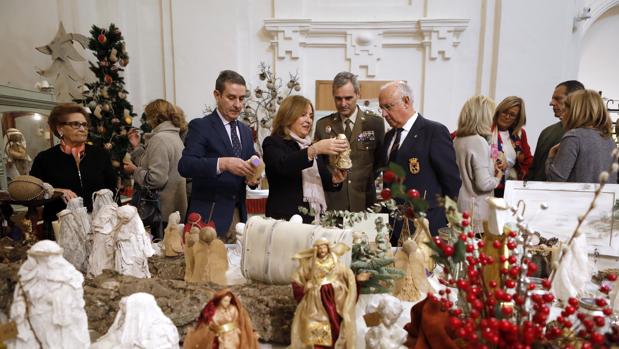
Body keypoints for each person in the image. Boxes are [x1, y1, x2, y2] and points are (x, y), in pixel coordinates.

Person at [178, 70, 258, 241]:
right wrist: (222, 164)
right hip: (209, 217)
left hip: (239, 218)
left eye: (241, 98)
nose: (238, 104)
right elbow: (185, 165)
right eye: (231, 97)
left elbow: (249, 166)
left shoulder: (245, 130)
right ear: (217, 95)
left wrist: (253, 178)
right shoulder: (201, 126)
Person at [378, 81, 461, 241]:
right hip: (394, 225)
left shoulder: (434, 132)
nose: (384, 114)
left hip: (426, 224)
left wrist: (448, 218)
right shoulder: (389, 137)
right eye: (381, 108)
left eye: (388, 107)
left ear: (406, 102)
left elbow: (452, 181)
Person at [30, 103, 117, 239]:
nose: (83, 128)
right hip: (61, 224)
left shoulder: (100, 155)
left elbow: (112, 187)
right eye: (76, 124)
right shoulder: (45, 158)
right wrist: (58, 191)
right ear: (60, 128)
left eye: (84, 124)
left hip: (99, 224)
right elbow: (33, 193)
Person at [262, 95, 348, 223]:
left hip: (313, 218)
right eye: (303, 115)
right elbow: (282, 166)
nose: (309, 120)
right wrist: (314, 150)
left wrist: (335, 180)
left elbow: (325, 182)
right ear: (288, 116)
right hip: (285, 220)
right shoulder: (273, 142)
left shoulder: (310, 146)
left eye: (311, 116)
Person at [313, 72, 385, 212]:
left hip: (364, 201)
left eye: (348, 98)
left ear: (358, 94)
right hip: (334, 201)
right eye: (338, 98)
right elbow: (320, 164)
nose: (343, 104)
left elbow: (380, 162)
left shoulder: (374, 123)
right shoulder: (323, 125)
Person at [124, 99, 188, 229]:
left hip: (160, 212)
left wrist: (134, 171)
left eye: (147, 116)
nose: (147, 121)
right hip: (173, 210)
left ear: (154, 117)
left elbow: (156, 180)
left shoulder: (159, 139)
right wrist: (137, 148)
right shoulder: (174, 136)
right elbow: (156, 165)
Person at [290, 238, 357, 348]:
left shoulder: (334, 260)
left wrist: (351, 278)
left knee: (334, 319)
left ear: (328, 248)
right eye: (320, 248)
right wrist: (306, 286)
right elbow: (300, 275)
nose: (322, 250)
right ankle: (319, 346)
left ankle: (334, 343)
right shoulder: (311, 262)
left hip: (333, 295)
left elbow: (344, 272)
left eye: (324, 247)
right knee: (315, 320)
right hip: (315, 297)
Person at [454, 96, 503, 233]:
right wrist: (498, 176)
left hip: (462, 209)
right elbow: (484, 184)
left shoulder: (458, 140)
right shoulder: (478, 141)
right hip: (477, 213)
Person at [545, 89, 617, 183]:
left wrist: (551, 155)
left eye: (566, 109)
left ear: (576, 111)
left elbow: (554, 181)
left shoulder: (573, 137)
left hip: (577, 197)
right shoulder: (609, 140)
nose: (563, 113)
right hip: (604, 197)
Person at [528, 80, 585, 181]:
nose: (551, 103)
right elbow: (534, 170)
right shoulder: (547, 132)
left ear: (575, 99)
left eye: (558, 99)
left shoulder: (582, 135)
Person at [183, 289, 259, 349]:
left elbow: (237, 321)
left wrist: (235, 330)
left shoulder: (233, 309)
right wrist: (217, 331)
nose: (228, 303)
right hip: (218, 335)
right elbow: (210, 325)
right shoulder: (214, 312)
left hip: (233, 334)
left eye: (229, 301)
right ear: (219, 300)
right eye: (225, 301)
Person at [489, 96, 532, 197]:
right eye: (504, 112)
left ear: (517, 119)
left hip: (510, 187)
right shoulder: (487, 129)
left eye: (512, 115)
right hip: (489, 184)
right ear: (498, 111)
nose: (507, 117)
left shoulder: (519, 134)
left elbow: (527, 160)